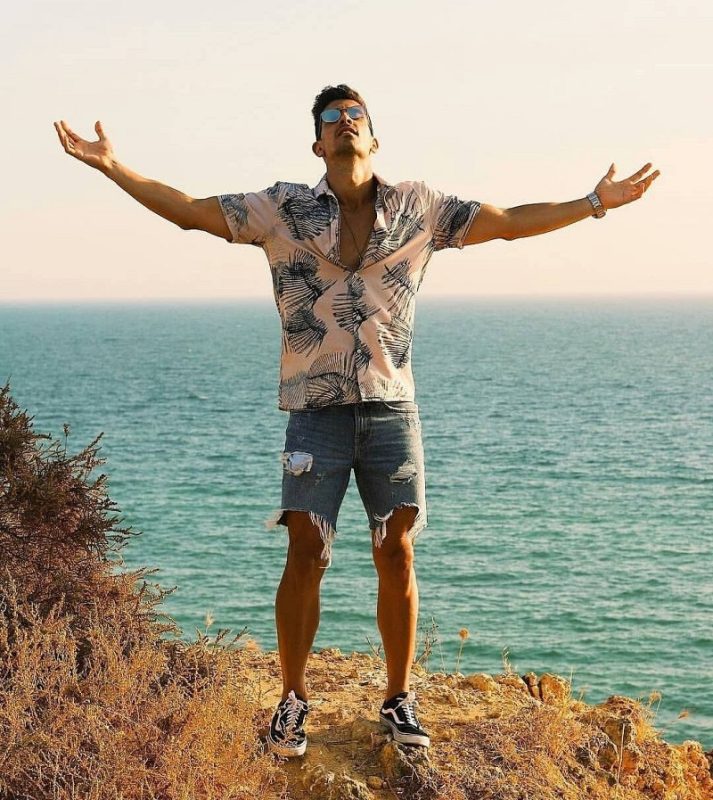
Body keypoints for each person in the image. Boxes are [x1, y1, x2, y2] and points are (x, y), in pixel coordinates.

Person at [54, 84, 659, 758]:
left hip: (391, 407)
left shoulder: (419, 208)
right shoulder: (283, 208)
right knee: (306, 552)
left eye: (355, 116)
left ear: (373, 137)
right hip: (314, 411)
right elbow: (192, 213)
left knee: (395, 551)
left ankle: (398, 698)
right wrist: (113, 166)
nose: (344, 124)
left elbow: (509, 220)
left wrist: (594, 202)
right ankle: (292, 700)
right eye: (331, 119)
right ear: (317, 143)